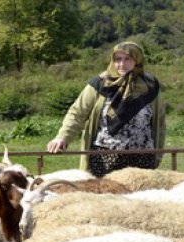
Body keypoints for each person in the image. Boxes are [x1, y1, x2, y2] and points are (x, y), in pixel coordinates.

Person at [46, 42, 166, 177]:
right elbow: (77, 113)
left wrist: (158, 154)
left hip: (142, 157)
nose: (122, 64)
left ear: (137, 60)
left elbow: (159, 123)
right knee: (104, 196)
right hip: (105, 156)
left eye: (128, 59)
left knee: (140, 197)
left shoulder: (150, 86)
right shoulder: (100, 83)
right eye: (118, 59)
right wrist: (62, 137)